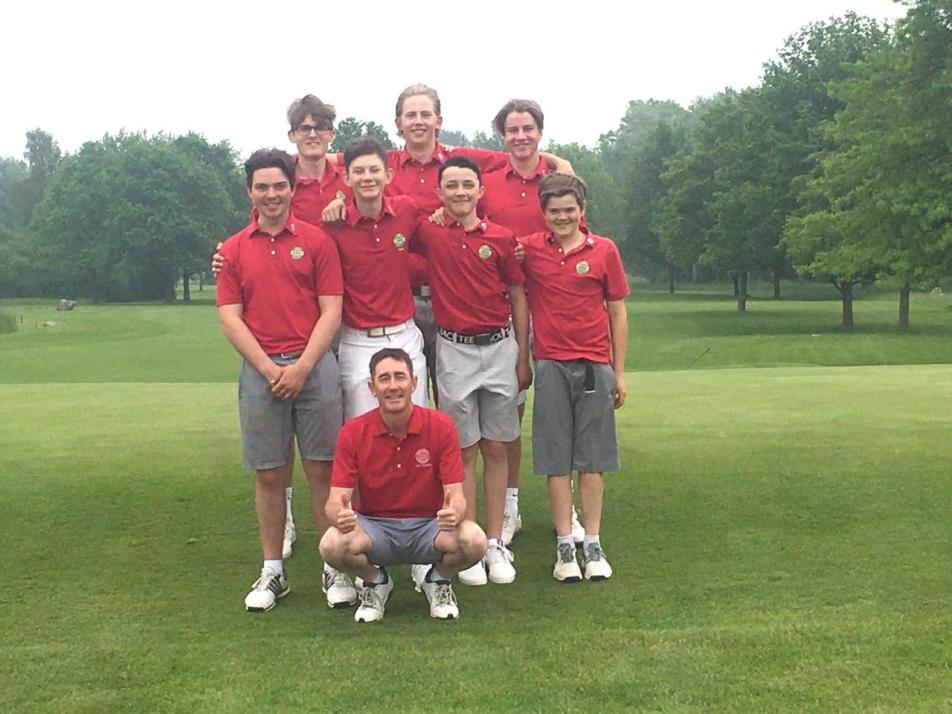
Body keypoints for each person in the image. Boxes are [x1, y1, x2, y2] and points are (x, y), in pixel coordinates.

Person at [216, 148, 354, 610]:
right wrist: (272, 369)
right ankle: (273, 572)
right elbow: (231, 317)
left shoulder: (316, 242)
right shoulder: (234, 249)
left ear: (293, 188)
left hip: (314, 368)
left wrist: (300, 367)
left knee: (322, 471)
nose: (272, 195)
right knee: (270, 474)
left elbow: (331, 309)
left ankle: (334, 567)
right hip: (261, 371)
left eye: (279, 186)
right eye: (262, 187)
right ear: (249, 192)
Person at [413, 155, 530, 586]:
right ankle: (471, 538)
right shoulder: (429, 232)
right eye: (452, 185)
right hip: (454, 349)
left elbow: (518, 293)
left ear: (481, 191)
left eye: (468, 185)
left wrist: (521, 355)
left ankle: (496, 541)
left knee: (497, 447)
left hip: (499, 346)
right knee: (463, 450)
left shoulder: (501, 238)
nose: (460, 192)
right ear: (440, 192)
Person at [320, 348, 487, 622]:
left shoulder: (441, 426)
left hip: (429, 528)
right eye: (384, 379)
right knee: (331, 545)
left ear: (414, 383)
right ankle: (376, 581)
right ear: (372, 388)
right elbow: (335, 500)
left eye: (400, 377)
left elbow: (456, 496)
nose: (393, 386)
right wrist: (338, 515)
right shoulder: (353, 431)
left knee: (475, 540)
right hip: (375, 528)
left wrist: (454, 512)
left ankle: (438, 581)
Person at [519, 173, 629, 583]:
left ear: (582, 211)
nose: (562, 217)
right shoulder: (529, 250)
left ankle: (593, 542)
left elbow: (617, 311)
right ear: (543, 213)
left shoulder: (603, 250)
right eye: (554, 211)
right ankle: (565, 544)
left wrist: (618, 372)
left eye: (569, 210)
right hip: (549, 364)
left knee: (593, 459)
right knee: (555, 459)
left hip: (594, 365)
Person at [321, 137, 429, 420]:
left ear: (388, 174)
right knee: (362, 431)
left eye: (374, 170)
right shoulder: (334, 224)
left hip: (404, 333)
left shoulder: (406, 210)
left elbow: (436, 241)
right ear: (346, 177)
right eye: (359, 171)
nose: (367, 177)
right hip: (358, 340)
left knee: (414, 425)